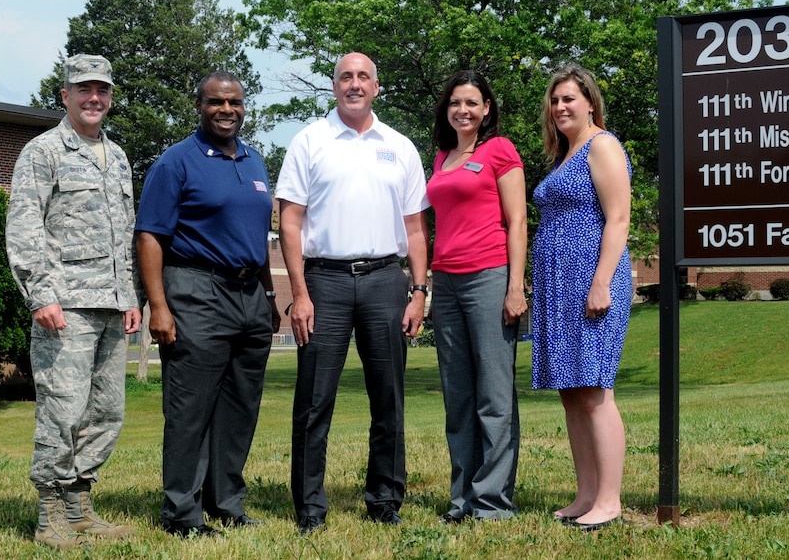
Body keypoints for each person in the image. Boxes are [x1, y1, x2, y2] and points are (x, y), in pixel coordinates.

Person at [277, 52, 430, 534]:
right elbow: (290, 221)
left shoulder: (400, 146)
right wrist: (300, 293)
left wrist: (420, 290)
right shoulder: (309, 141)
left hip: (387, 279)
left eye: (364, 76)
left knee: (388, 398)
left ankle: (384, 497)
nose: (355, 84)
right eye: (346, 76)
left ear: (377, 87)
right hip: (325, 282)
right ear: (334, 86)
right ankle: (310, 507)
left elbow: (416, 228)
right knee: (315, 399)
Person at [135, 71, 281, 538]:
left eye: (235, 103)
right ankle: (182, 514)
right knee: (190, 409)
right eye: (216, 102)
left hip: (249, 296)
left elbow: (258, 236)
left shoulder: (255, 161)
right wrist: (158, 305)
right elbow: (150, 236)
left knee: (240, 408)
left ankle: (227, 504)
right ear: (198, 105)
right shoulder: (175, 162)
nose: (227, 110)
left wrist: (270, 295)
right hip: (196, 290)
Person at [6, 53, 141, 549]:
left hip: (110, 306)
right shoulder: (43, 152)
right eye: (84, 89)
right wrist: (40, 295)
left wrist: (129, 297)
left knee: (106, 411)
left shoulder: (118, 156)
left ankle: (80, 506)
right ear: (65, 95)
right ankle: (49, 514)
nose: (94, 98)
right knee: (62, 409)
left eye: (102, 90)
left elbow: (122, 234)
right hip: (64, 307)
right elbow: (23, 229)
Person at [531, 63, 632, 532]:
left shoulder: (602, 145)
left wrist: (602, 280)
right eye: (555, 101)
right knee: (572, 393)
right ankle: (587, 494)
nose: (560, 107)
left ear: (590, 101)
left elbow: (618, 219)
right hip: (560, 284)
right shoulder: (566, 156)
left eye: (569, 98)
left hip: (592, 277)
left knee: (594, 391)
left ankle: (610, 500)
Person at [426, 71, 528, 523]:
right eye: (455, 103)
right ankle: (462, 499)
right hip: (446, 283)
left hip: (489, 277)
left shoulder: (499, 150)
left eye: (472, 102)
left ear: (486, 107)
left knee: (494, 395)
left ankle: (492, 502)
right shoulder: (442, 157)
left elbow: (518, 220)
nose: (462, 110)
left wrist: (514, 286)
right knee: (459, 397)